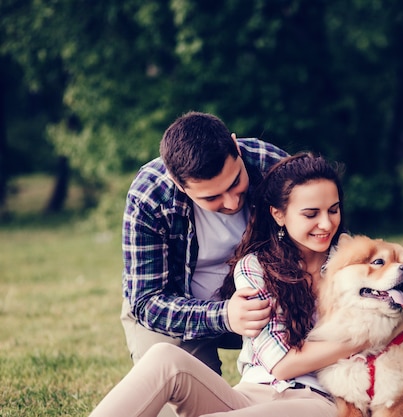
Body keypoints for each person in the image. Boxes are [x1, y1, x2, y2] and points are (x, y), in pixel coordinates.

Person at [91, 153, 362, 417]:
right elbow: (280, 363)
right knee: (164, 358)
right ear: (279, 214)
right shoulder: (255, 266)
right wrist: (364, 338)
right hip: (249, 394)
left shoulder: (357, 264)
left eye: (334, 210)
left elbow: (400, 316)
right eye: (311, 214)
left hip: (317, 400)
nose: (326, 223)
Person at [121, 111, 289, 377]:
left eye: (235, 182)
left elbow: (324, 240)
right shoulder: (150, 195)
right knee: (185, 398)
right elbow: (147, 302)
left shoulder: (271, 163)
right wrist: (226, 315)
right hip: (178, 315)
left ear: (235, 146)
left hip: (270, 307)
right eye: (212, 197)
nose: (233, 202)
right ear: (179, 184)